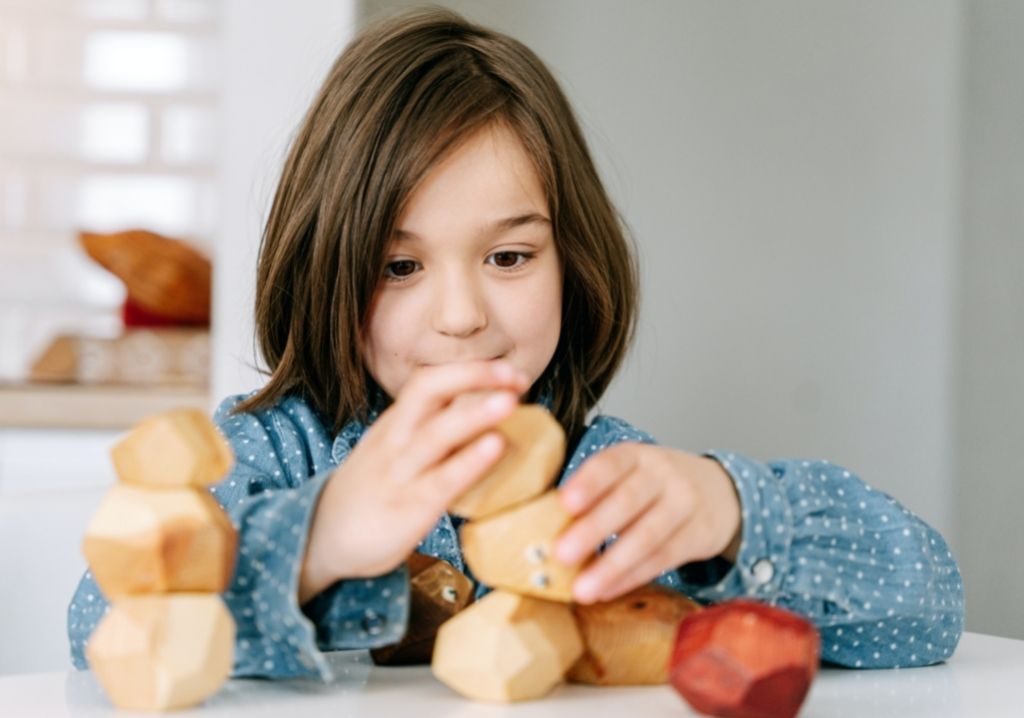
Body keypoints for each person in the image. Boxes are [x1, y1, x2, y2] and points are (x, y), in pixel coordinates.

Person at [68, 7, 963, 680]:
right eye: (399, 266)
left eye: (508, 256)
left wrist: (730, 512)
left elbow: (929, 610)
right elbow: (96, 625)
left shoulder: (602, 480)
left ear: (573, 261)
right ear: (326, 271)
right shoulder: (263, 454)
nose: (461, 315)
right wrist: (322, 540)